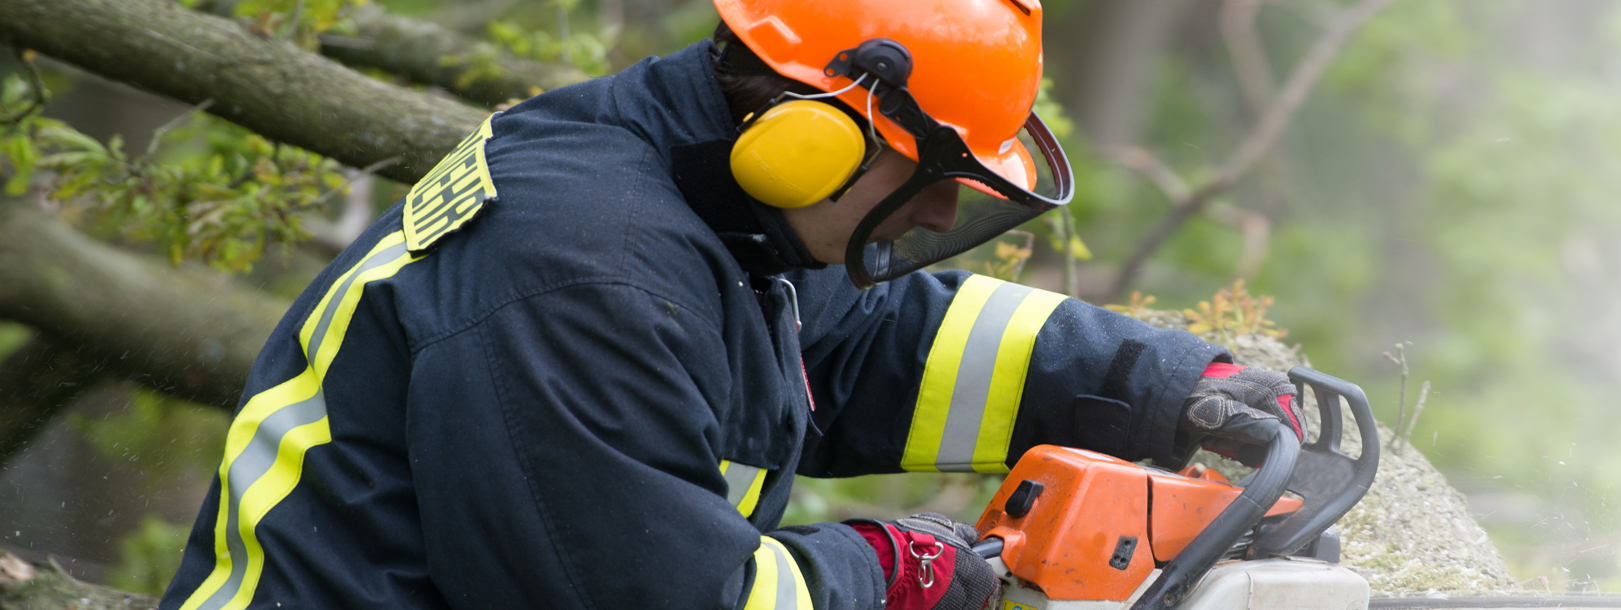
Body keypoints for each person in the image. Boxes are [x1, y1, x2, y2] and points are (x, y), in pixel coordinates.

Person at [155, 1, 1305, 609]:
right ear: (817, 138)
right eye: (933, 187)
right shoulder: (587, 268)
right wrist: (889, 571)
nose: (929, 219)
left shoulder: (705, 196)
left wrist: (1168, 393)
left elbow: (869, 349)